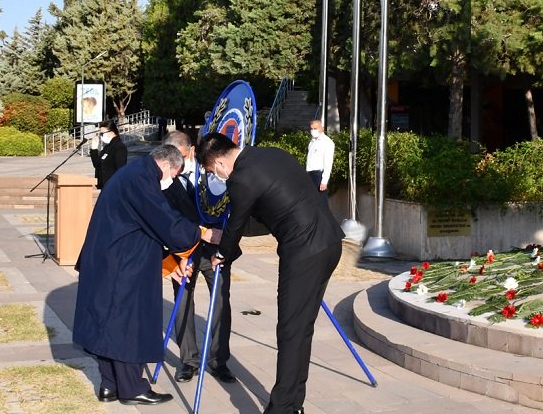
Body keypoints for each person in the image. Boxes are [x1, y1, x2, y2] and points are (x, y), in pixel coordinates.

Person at [197, 132, 345, 414]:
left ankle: (281, 408)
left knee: (290, 331)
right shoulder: (270, 154)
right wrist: (226, 237)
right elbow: (273, 209)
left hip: (304, 251)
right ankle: (293, 404)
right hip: (330, 242)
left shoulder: (240, 177)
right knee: (301, 328)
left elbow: (237, 224)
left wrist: (220, 254)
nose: (214, 176)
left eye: (209, 171)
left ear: (216, 163)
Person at [73, 144, 220, 406]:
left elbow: (141, 226)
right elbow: (164, 221)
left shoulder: (133, 173)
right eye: (174, 175)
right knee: (128, 324)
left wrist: (169, 263)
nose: (172, 181)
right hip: (122, 264)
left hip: (110, 258)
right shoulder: (143, 180)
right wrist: (202, 233)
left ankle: (110, 384)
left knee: (107, 322)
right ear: (167, 165)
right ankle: (132, 388)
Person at [160, 130, 235, 384]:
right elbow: (165, 220)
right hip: (182, 253)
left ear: (190, 151)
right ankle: (188, 361)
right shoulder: (163, 179)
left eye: (179, 157)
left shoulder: (210, 168)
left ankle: (218, 360)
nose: (176, 166)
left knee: (221, 302)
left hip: (215, 252)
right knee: (182, 304)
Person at [89, 120, 127, 189]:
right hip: (103, 186)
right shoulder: (107, 147)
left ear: (111, 132)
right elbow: (97, 164)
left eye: (102, 133)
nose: (101, 136)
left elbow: (120, 170)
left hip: (112, 187)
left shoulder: (119, 147)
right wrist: (94, 150)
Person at [305, 119, 335, 196]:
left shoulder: (326, 142)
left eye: (315, 128)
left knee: (321, 199)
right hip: (309, 174)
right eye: (311, 129)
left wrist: (324, 181)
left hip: (318, 175)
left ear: (321, 128)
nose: (313, 131)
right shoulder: (312, 142)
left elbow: (328, 163)